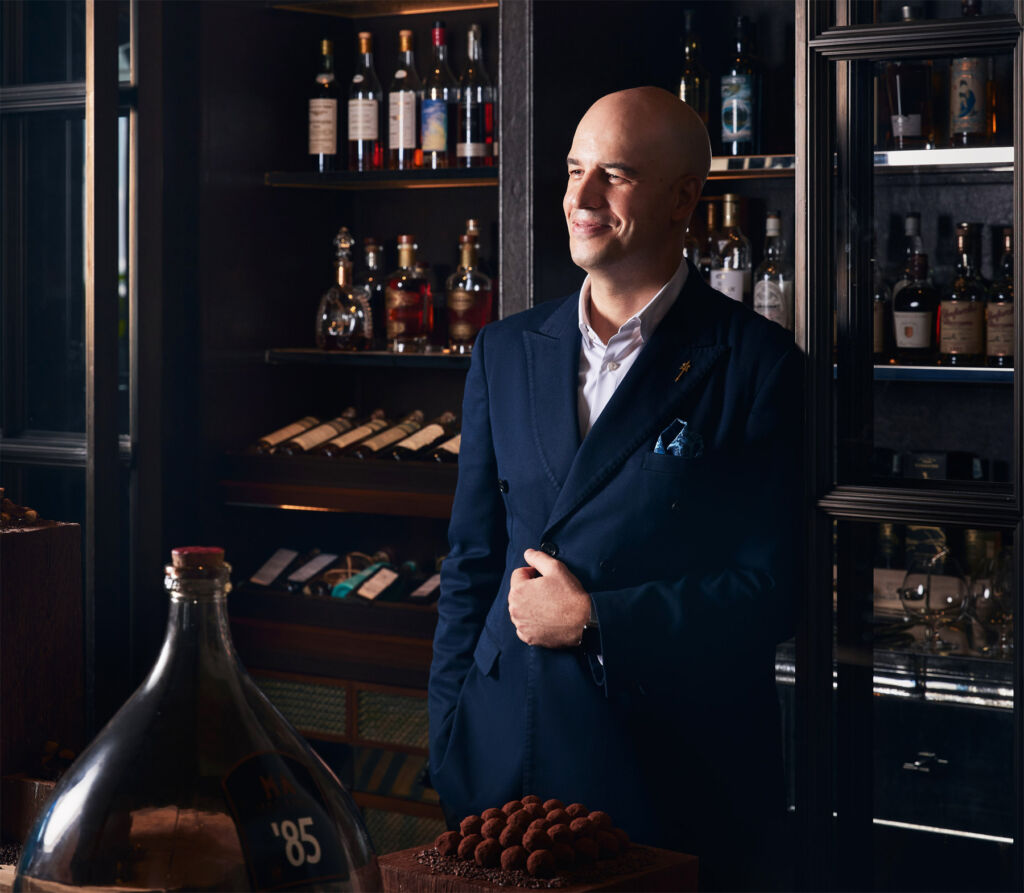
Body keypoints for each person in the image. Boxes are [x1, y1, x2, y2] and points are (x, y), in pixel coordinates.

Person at [428, 86, 803, 890]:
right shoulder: (504, 348)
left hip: (660, 775)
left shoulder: (757, 364)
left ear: (684, 198)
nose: (581, 198)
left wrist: (595, 619)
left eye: (615, 174)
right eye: (573, 170)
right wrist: (448, 735)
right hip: (499, 765)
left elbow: (774, 589)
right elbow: (468, 562)